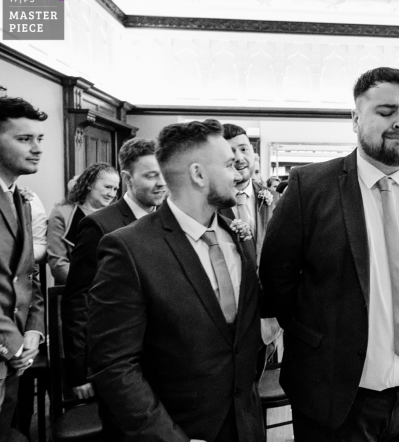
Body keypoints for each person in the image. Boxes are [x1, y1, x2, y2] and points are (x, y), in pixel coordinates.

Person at [260, 67, 399, 441]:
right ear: (355, 119)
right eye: (386, 112)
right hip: (335, 398)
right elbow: (276, 282)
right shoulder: (310, 187)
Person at [87, 120, 265, 442]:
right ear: (198, 174)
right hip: (178, 428)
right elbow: (114, 365)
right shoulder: (129, 249)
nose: (238, 175)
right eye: (228, 165)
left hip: (244, 424)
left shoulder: (238, 235)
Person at [62, 138, 166, 402]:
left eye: (164, 174)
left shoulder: (170, 221)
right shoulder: (98, 225)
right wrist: (81, 370)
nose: (161, 183)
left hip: (164, 357)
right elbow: (79, 299)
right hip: (118, 360)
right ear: (127, 178)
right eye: (151, 175)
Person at [0, 97, 46, 439]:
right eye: (24, 139)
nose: (37, 148)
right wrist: (11, 344)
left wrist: (34, 330)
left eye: (39, 139)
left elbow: (28, 276)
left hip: (16, 356)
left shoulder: (23, 200)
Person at [221, 124, 282, 362]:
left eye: (243, 149)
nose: (238, 158)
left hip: (269, 317)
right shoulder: (208, 203)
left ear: (254, 156)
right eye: (229, 151)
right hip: (227, 319)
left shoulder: (274, 198)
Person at [46, 163, 119, 284]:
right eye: (107, 187)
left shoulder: (116, 215)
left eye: (115, 189)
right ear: (89, 184)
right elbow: (58, 263)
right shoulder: (62, 213)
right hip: (77, 292)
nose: (111, 194)